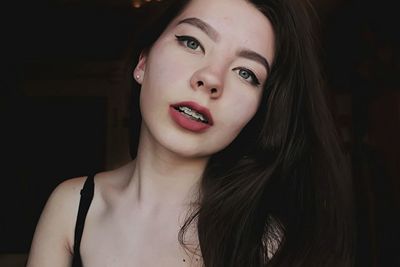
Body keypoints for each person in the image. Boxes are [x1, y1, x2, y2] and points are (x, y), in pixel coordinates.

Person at [27, 0, 354, 266]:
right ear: (143, 63)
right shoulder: (72, 207)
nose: (211, 79)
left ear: (258, 112)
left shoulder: (268, 247)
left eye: (245, 73)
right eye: (192, 42)